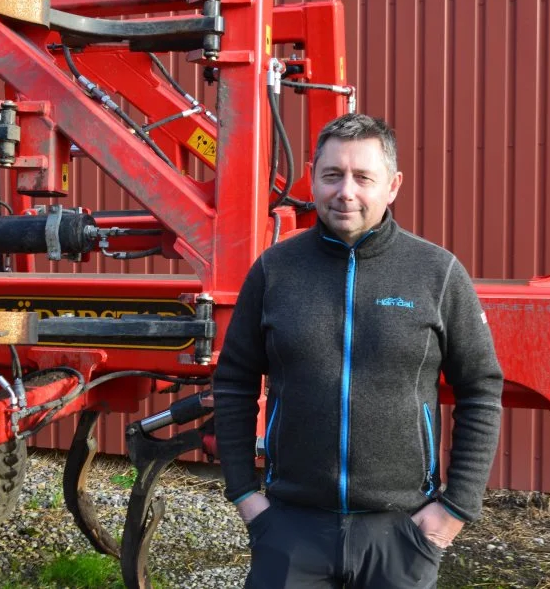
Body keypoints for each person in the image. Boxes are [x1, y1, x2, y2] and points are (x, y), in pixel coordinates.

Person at [212, 113, 504, 588]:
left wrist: (454, 510)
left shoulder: (437, 273)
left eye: (363, 177)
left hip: (401, 533)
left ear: (392, 185)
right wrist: (246, 495)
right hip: (290, 529)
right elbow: (233, 383)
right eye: (332, 175)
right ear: (313, 179)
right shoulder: (274, 270)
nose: (346, 191)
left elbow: (481, 391)